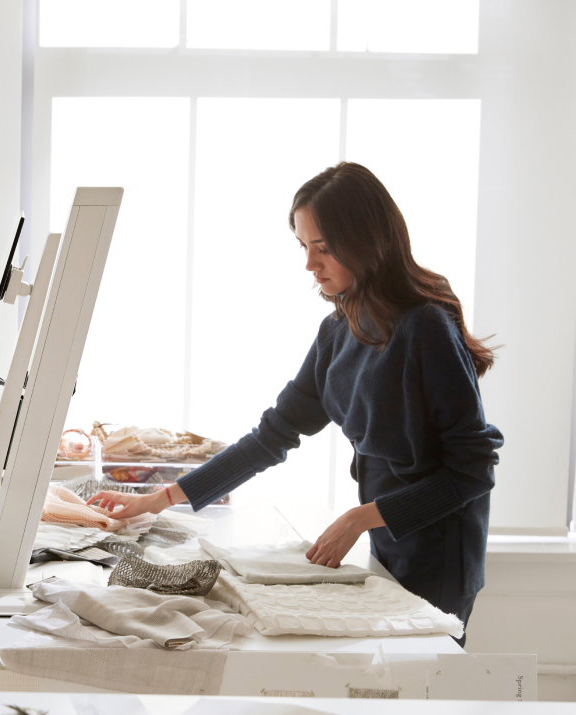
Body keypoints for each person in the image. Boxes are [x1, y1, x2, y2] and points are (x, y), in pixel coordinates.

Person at [89, 162, 503, 646]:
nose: (310, 264)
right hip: (389, 538)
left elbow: (474, 470)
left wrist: (360, 517)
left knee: (418, 687)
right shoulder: (337, 330)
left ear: (368, 241)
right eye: (305, 247)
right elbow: (273, 434)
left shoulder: (425, 327)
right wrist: (159, 500)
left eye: (323, 248)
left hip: (440, 548)